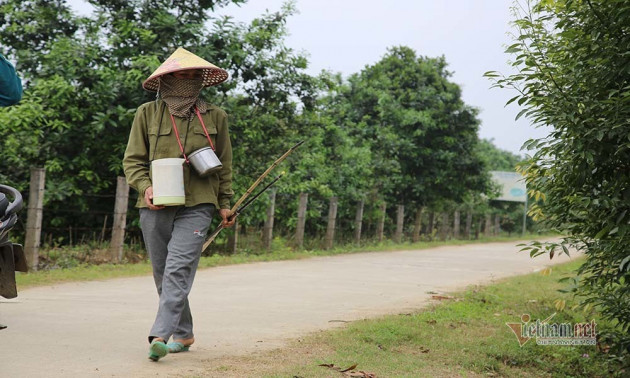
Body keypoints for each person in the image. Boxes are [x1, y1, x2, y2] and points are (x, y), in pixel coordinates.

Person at [122, 47, 235, 362]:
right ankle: (184, 334)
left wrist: (225, 203)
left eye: (194, 75)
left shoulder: (216, 117)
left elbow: (224, 165)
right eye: (182, 75)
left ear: (202, 80)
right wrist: (145, 188)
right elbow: (132, 161)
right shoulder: (146, 114)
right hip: (156, 205)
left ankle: (160, 335)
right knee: (163, 272)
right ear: (167, 79)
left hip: (199, 203)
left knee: (178, 267)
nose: (188, 80)